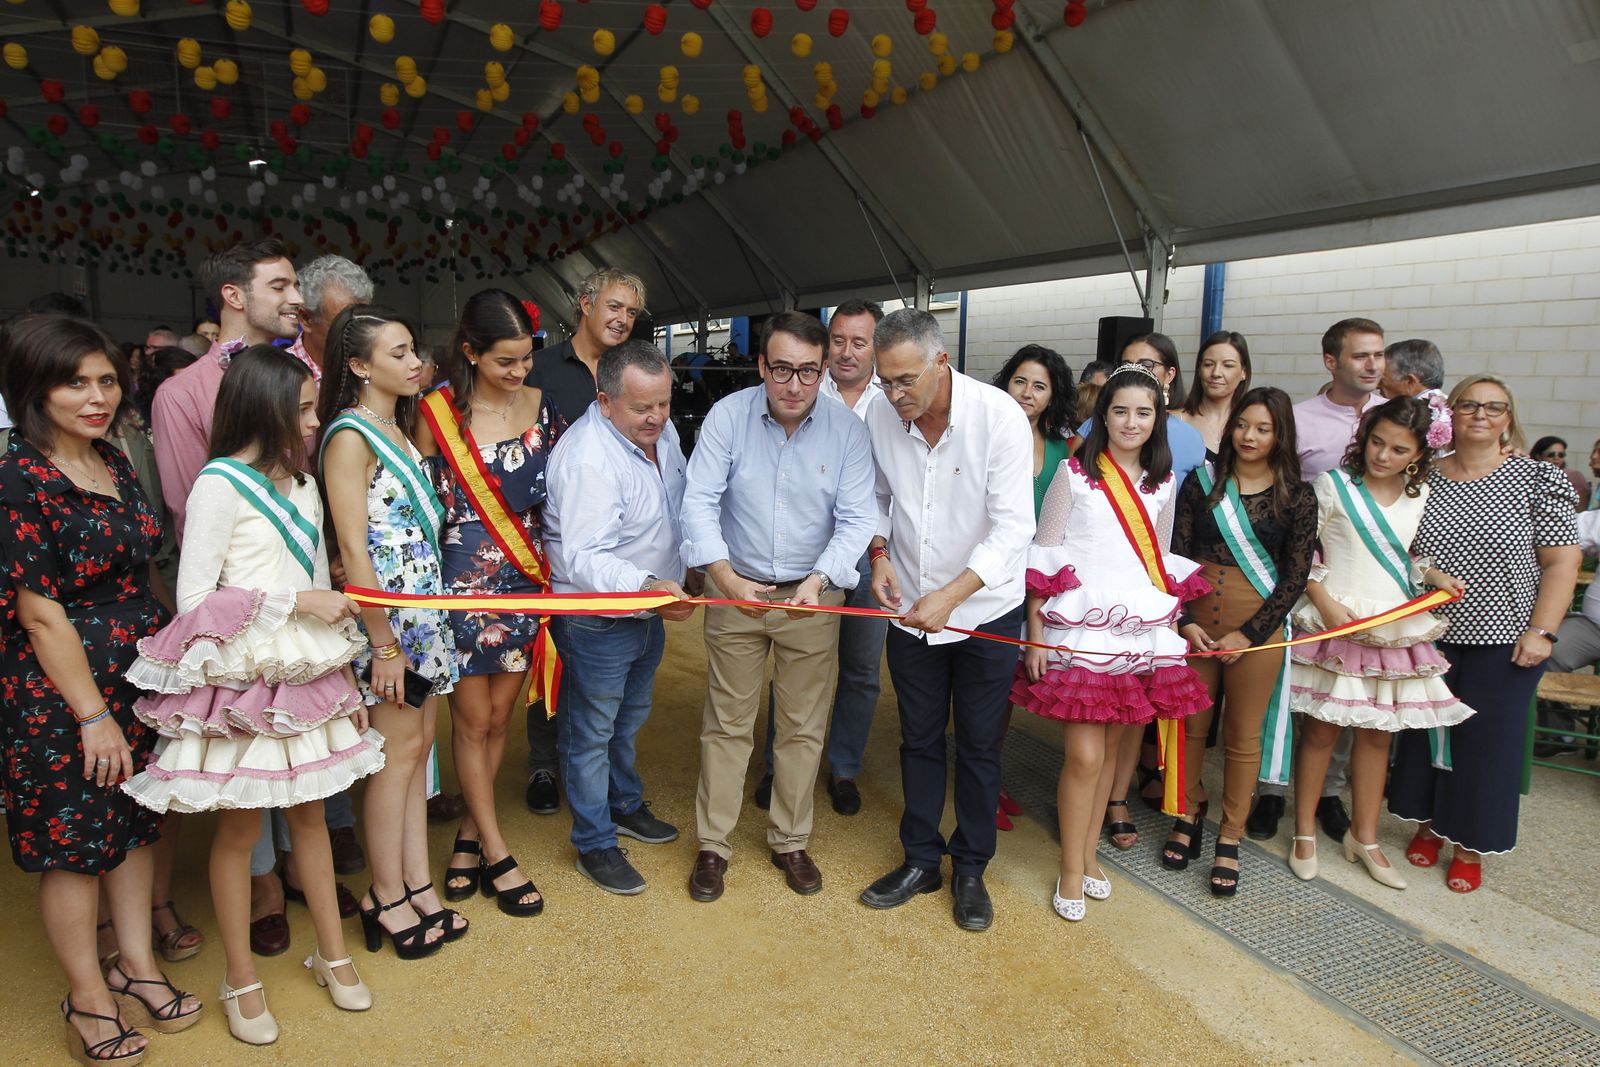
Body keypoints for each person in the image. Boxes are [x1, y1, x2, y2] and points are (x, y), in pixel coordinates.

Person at [122, 346, 382, 1043]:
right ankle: (241, 977)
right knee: (240, 828)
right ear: (263, 406)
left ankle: (334, 954)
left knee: (311, 820)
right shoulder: (218, 484)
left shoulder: (301, 483)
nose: (311, 420)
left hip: (305, 667)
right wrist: (297, 598)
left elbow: (316, 590)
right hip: (241, 675)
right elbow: (194, 599)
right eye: (301, 408)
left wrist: (332, 645)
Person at [0, 313, 202, 1064]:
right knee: (75, 845)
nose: (96, 395)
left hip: (134, 673)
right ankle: (87, 997)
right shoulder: (18, 478)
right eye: (74, 381)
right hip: (62, 692)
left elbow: (144, 563)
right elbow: (40, 613)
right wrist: (91, 715)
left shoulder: (112, 461)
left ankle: (138, 966)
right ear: (33, 388)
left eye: (107, 380)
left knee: (135, 827)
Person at [680, 311, 874, 902]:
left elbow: (859, 517)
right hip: (735, 588)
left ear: (824, 373)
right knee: (728, 723)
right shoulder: (726, 417)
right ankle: (713, 845)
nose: (795, 385)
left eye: (809, 372)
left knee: (802, 727)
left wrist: (819, 581)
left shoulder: (847, 431)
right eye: (783, 369)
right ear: (762, 365)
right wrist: (723, 576)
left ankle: (790, 839)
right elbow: (699, 502)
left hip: (812, 597)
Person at [1011, 364, 1210, 922]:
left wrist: (1166, 634)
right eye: (1120, 410)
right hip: (1078, 630)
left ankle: (1088, 853)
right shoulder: (1074, 474)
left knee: (1115, 756)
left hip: (1137, 631)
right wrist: (1036, 635)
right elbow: (1043, 557)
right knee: (1084, 754)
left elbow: (1159, 565)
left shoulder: (1165, 483)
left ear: (1158, 419)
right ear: (1104, 415)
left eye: (1143, 412)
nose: (1130, 421)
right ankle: (1070, 868)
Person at [857, 309, 1034, 933]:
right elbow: (874, 497)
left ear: (942, 363)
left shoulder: (999, 418)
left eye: (906, 380)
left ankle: (971, 866)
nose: (895, 394)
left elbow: (1017, 526)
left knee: (981, 744)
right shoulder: (878, 413)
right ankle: (921, 858)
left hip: (986, 610)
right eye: (886, 381)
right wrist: (878, 554)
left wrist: (953, 596)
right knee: (919, 737)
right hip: (910, 611)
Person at [1390, 375, 1579, 892]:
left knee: (1487, 745)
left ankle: (1470, 842)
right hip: (1430, 634)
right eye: (1468, 404)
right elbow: (1396, 545)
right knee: (1426, 737)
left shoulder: (1537, 477)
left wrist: (1543, 631)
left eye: (1494, 407)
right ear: (1449, 414)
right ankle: (1429, 823)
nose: (1480, 414)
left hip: (1507, 638)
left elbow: (1562, 562)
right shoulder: (1420, 475)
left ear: (1509, 417)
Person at [1286, 397, 1475, 890]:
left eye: (1397, 449)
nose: (1382, 455)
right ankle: (1304, 831)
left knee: (1377, 736)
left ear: (1417, 454)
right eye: (1376, 442)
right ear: (1364, 435)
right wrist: (1323, 601)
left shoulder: (1421, 495)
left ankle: (1364, 836)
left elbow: (1405, 557)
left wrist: (1433, 574)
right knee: (1321, 732)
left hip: (1393, 624)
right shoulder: (1332, 485)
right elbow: (1299, 552)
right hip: (1337, 619)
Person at [319, 304, 461, 955]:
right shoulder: (350, 436)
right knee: (393, 759)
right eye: (399, 352)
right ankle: (385, 891)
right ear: (358, 365)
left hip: (425, 615)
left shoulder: (398, 428)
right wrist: (382, 643)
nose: (414, 363)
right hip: (390, 626)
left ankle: (416, 883)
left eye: (414, 351)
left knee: (418, 751)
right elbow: (354, 547)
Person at [417, 290, 557, 918]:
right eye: (505, 361)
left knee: (501, 720)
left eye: (525, 359)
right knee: (469, 723)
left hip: (527, 581)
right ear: (469, 354)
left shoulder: (539, 404)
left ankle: (469, 835)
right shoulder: (435, 414)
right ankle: (496, 847)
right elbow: (415, 507)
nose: (519, 373)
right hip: (461, 588)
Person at [543, 338, 695, 895]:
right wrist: (648, 584)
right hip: (598, 616)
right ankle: (595, 842)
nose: (657, 417)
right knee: (590, 731)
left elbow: (674, 508)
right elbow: (583, 557)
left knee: (628, 718)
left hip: (647, 605)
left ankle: (624, 804)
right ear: (605, 401)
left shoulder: (660, 432)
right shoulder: (589, 459)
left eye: (663, 403)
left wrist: (682, 569)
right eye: (641, 408)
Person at [1170, 387, 1316, 895]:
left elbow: (1295, 578)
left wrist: (1248, 633)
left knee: (1242, 736)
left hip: (1257, 631)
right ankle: (1188, 809)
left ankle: (1229, 834)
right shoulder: (1203, 482)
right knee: (1191, 727)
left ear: (1280, 435)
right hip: (1197, 629)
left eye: (1263, 428)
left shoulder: (1298, 494)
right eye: (1242, 425)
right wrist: (1185, 619)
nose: (1249, 436)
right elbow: (1179, 554)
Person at [1248, 317, 1389, 842]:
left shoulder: (1394, 418)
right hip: (1300, 577)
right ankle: (1271, 790)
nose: (1373, 365)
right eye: (1361, 356)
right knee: (1285, 689)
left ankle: (1329, 792)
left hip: (1365, 578)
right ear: (1332, 361)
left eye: (1379, 355)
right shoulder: (1300, 420)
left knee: (1344, 692)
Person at [752, 298, 887, 818]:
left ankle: (844, 767)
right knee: (793, 669)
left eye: (861, 341)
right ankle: (777, 767)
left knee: (859, 670)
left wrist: (880, 551)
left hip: (871, 560)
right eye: (839, 340)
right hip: (803, 564)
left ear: (877, 348)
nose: (848, 351)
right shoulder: (798, 385)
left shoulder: (893, 400)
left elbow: (894, 495)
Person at [522, 268, 649, 817]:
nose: (622, 319)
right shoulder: (543, 369)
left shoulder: (635, 371)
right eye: (615, 307)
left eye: (632, 313)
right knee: (549, 654)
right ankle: (543, 764)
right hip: (558, 537)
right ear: (585, 304)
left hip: (619, 545)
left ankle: (601, 782)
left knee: (605, 685)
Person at [992, 344, 1077, 834]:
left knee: (1023, 681)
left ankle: (991, 771)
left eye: (1039, 386)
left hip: (1040, 582)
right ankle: (987, 779)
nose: (1027, 392)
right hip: (992, 574)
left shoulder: (1064, 450)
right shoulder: (988, 434)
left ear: (1052, 396)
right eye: (1020, 380)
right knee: (995, 687)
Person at [1175, 331, 1252, 459]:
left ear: (1244, 372)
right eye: (1208, 364)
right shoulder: (1174, 421)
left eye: (1228, 365)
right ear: (1199, 369)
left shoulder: (1252, 427)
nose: (1216, 373)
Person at [296, 255, 374, 372]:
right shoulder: (279, 375)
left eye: (362, 322)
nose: (356, 334)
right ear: (306, 319)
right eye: (342, 324)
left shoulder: (374, 365)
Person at [1378, 338, 1446, 403]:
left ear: (1410, 382)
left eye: (1382, 381)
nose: (1377, 386)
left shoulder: (1416, 414)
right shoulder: (1450, 409)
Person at [1531, 436, 1590, 507]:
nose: (1556, 458)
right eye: (1551, 455)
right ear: (1538, 456)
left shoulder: (1574, 476)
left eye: (1561, 455)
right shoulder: (1530, 476)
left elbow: (1581, 508)